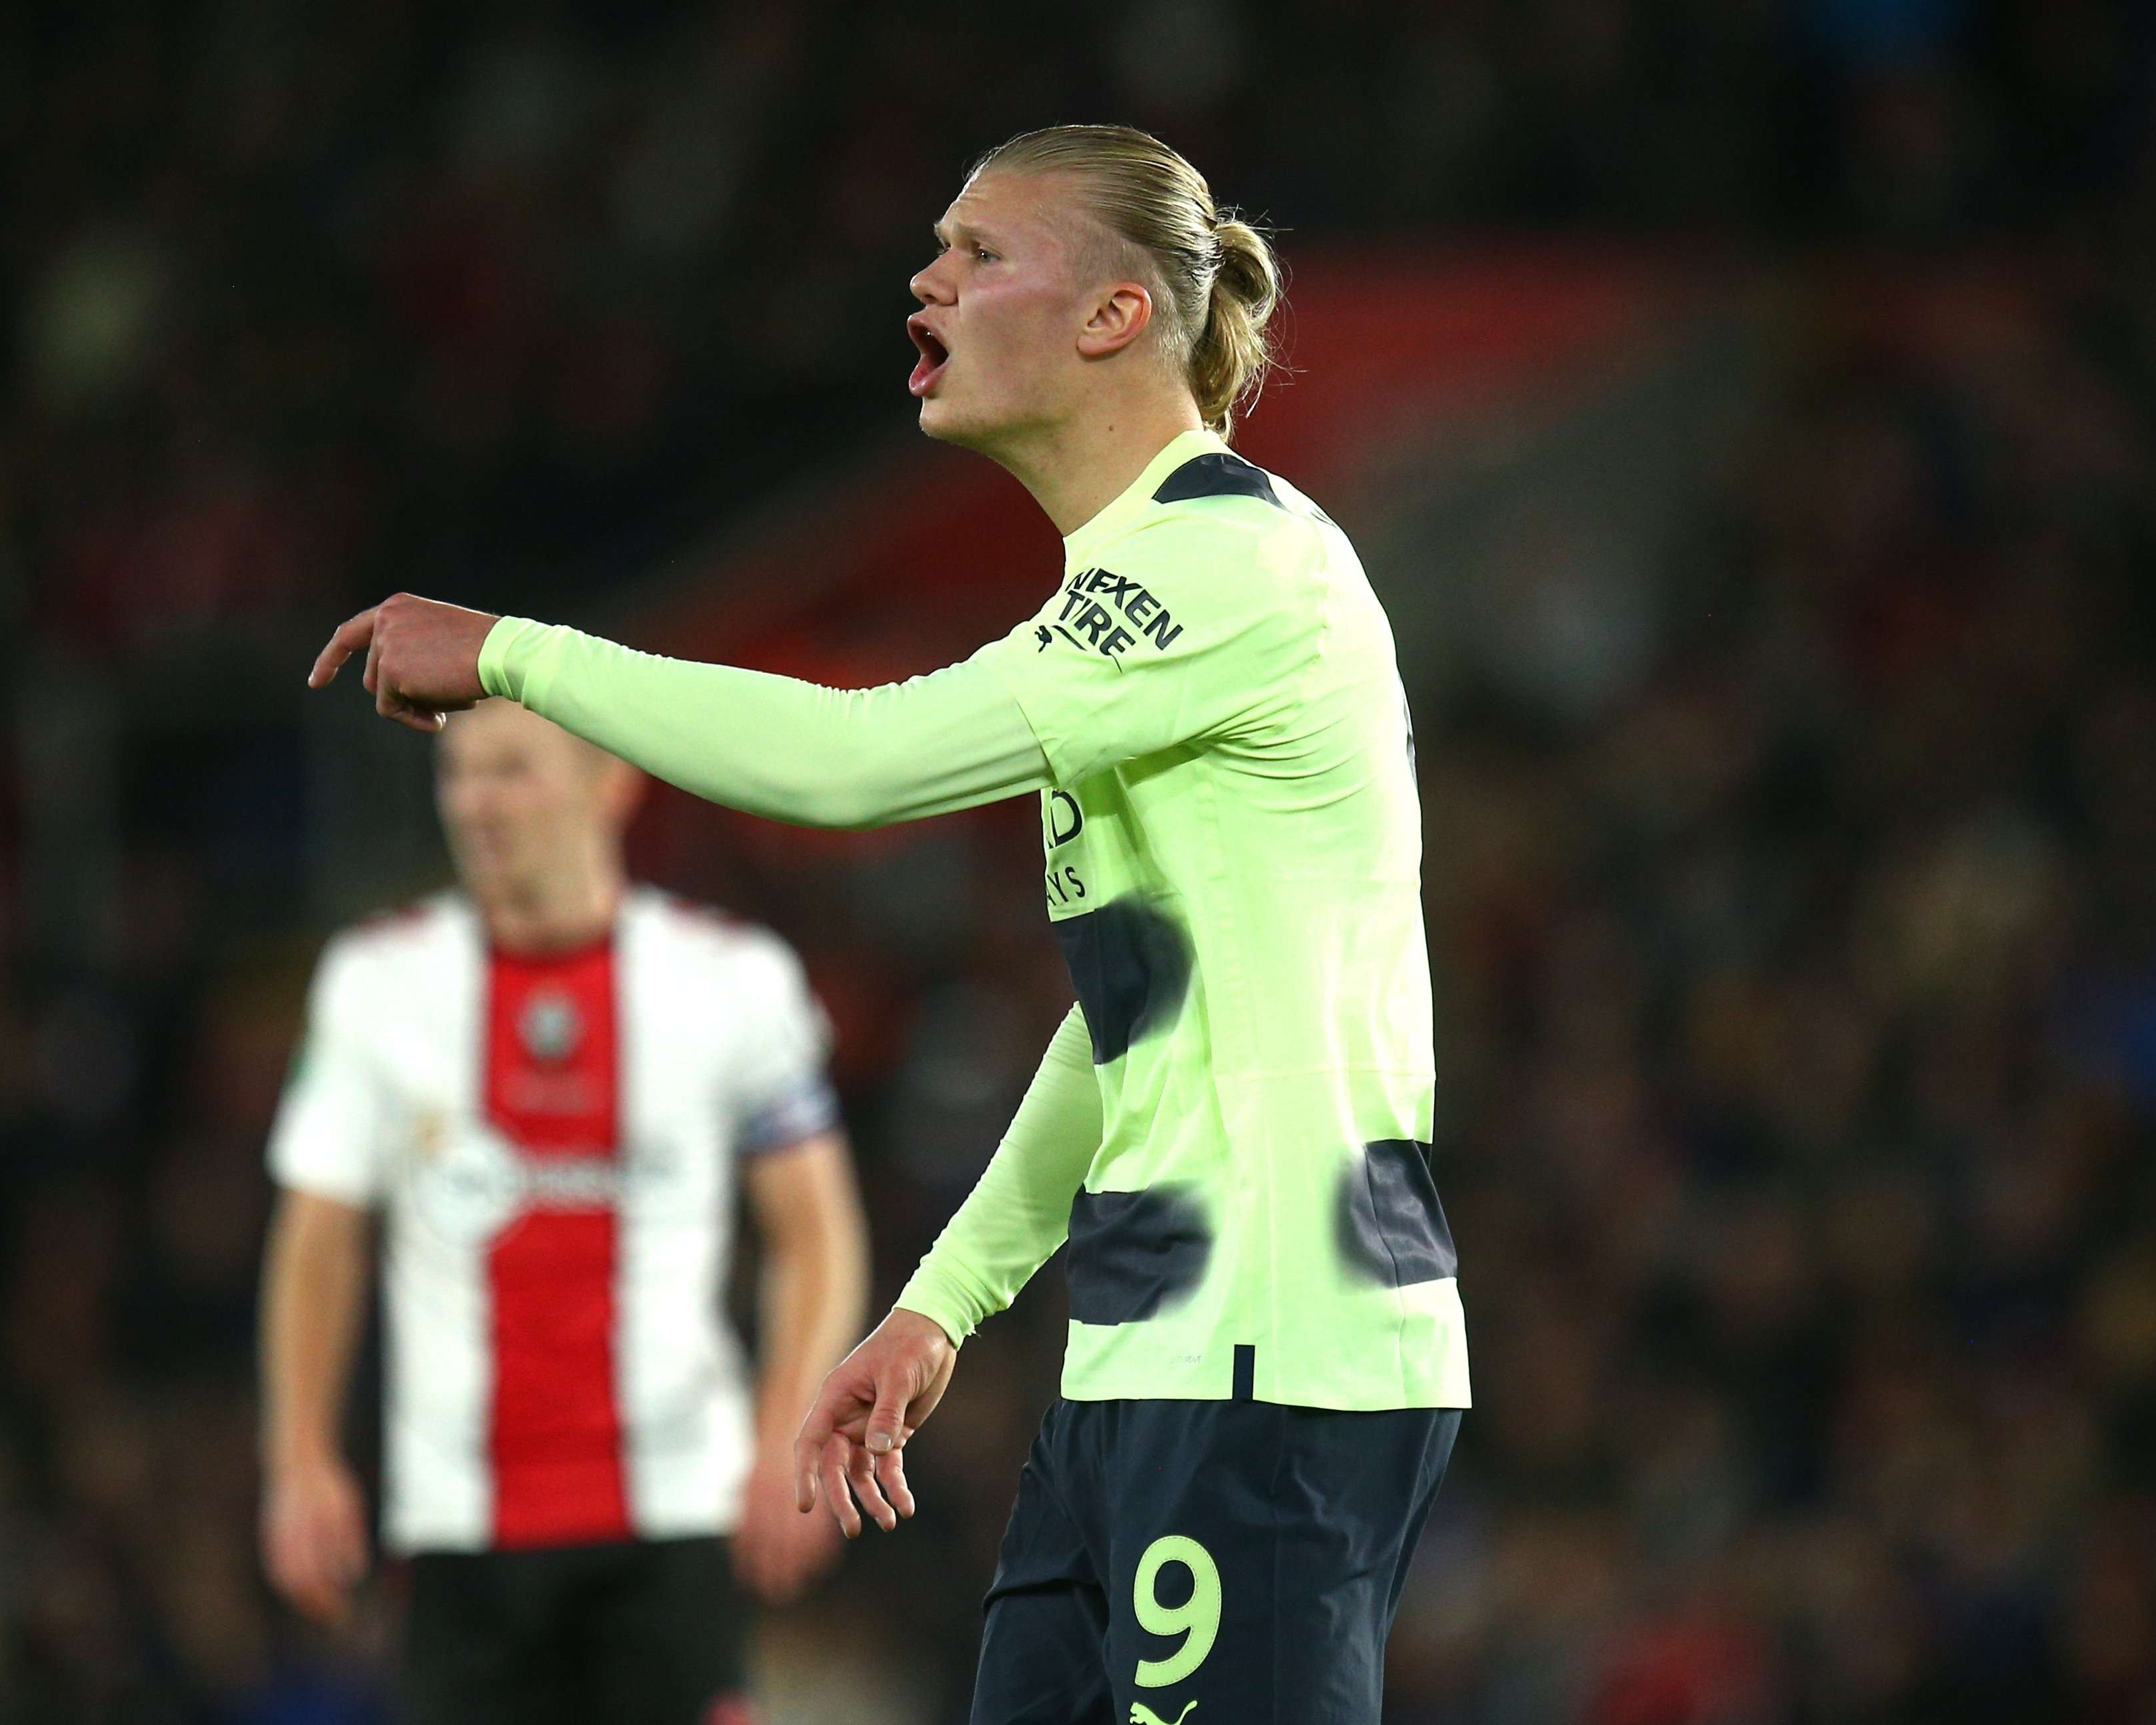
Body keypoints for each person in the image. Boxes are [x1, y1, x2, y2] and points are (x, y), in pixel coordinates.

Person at [310, 123, 1468, 1724]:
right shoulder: (1126, 590)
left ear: (1113, 318)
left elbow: (855, 763)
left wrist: (519, 652)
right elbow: (1132, 1013)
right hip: (1145, 1358)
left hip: (1272, 1354)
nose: (927, 278)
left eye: (981, 251)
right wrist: (944, 1300)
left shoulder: (1232, 564)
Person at [257, 698, 866, 1724]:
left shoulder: (732, 981)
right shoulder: (376, 984)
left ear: (610, 784)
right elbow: (319, 1241)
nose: (478, 804)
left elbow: (816, 1232)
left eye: (513, 771)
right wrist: (299, 1458)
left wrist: (791, 1434)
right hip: (460, 1527)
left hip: (675, 1511)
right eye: (459, 775)